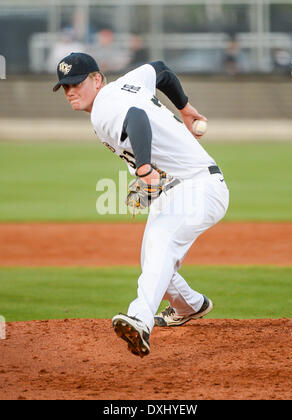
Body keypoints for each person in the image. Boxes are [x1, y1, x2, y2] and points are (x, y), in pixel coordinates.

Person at [53, 52, 229, 358]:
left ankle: (140, 319)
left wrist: (144, 169)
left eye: (76, 83)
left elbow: (137, 118)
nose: (70, 91)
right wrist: (185, 108)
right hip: (180, 187)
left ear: (96, 79)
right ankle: (190, 305)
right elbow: (160, 70)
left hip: (197, 186)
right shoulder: (128, 83)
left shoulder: (104, 107)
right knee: (154, 258)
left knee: (161, 244)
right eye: (65, 86)